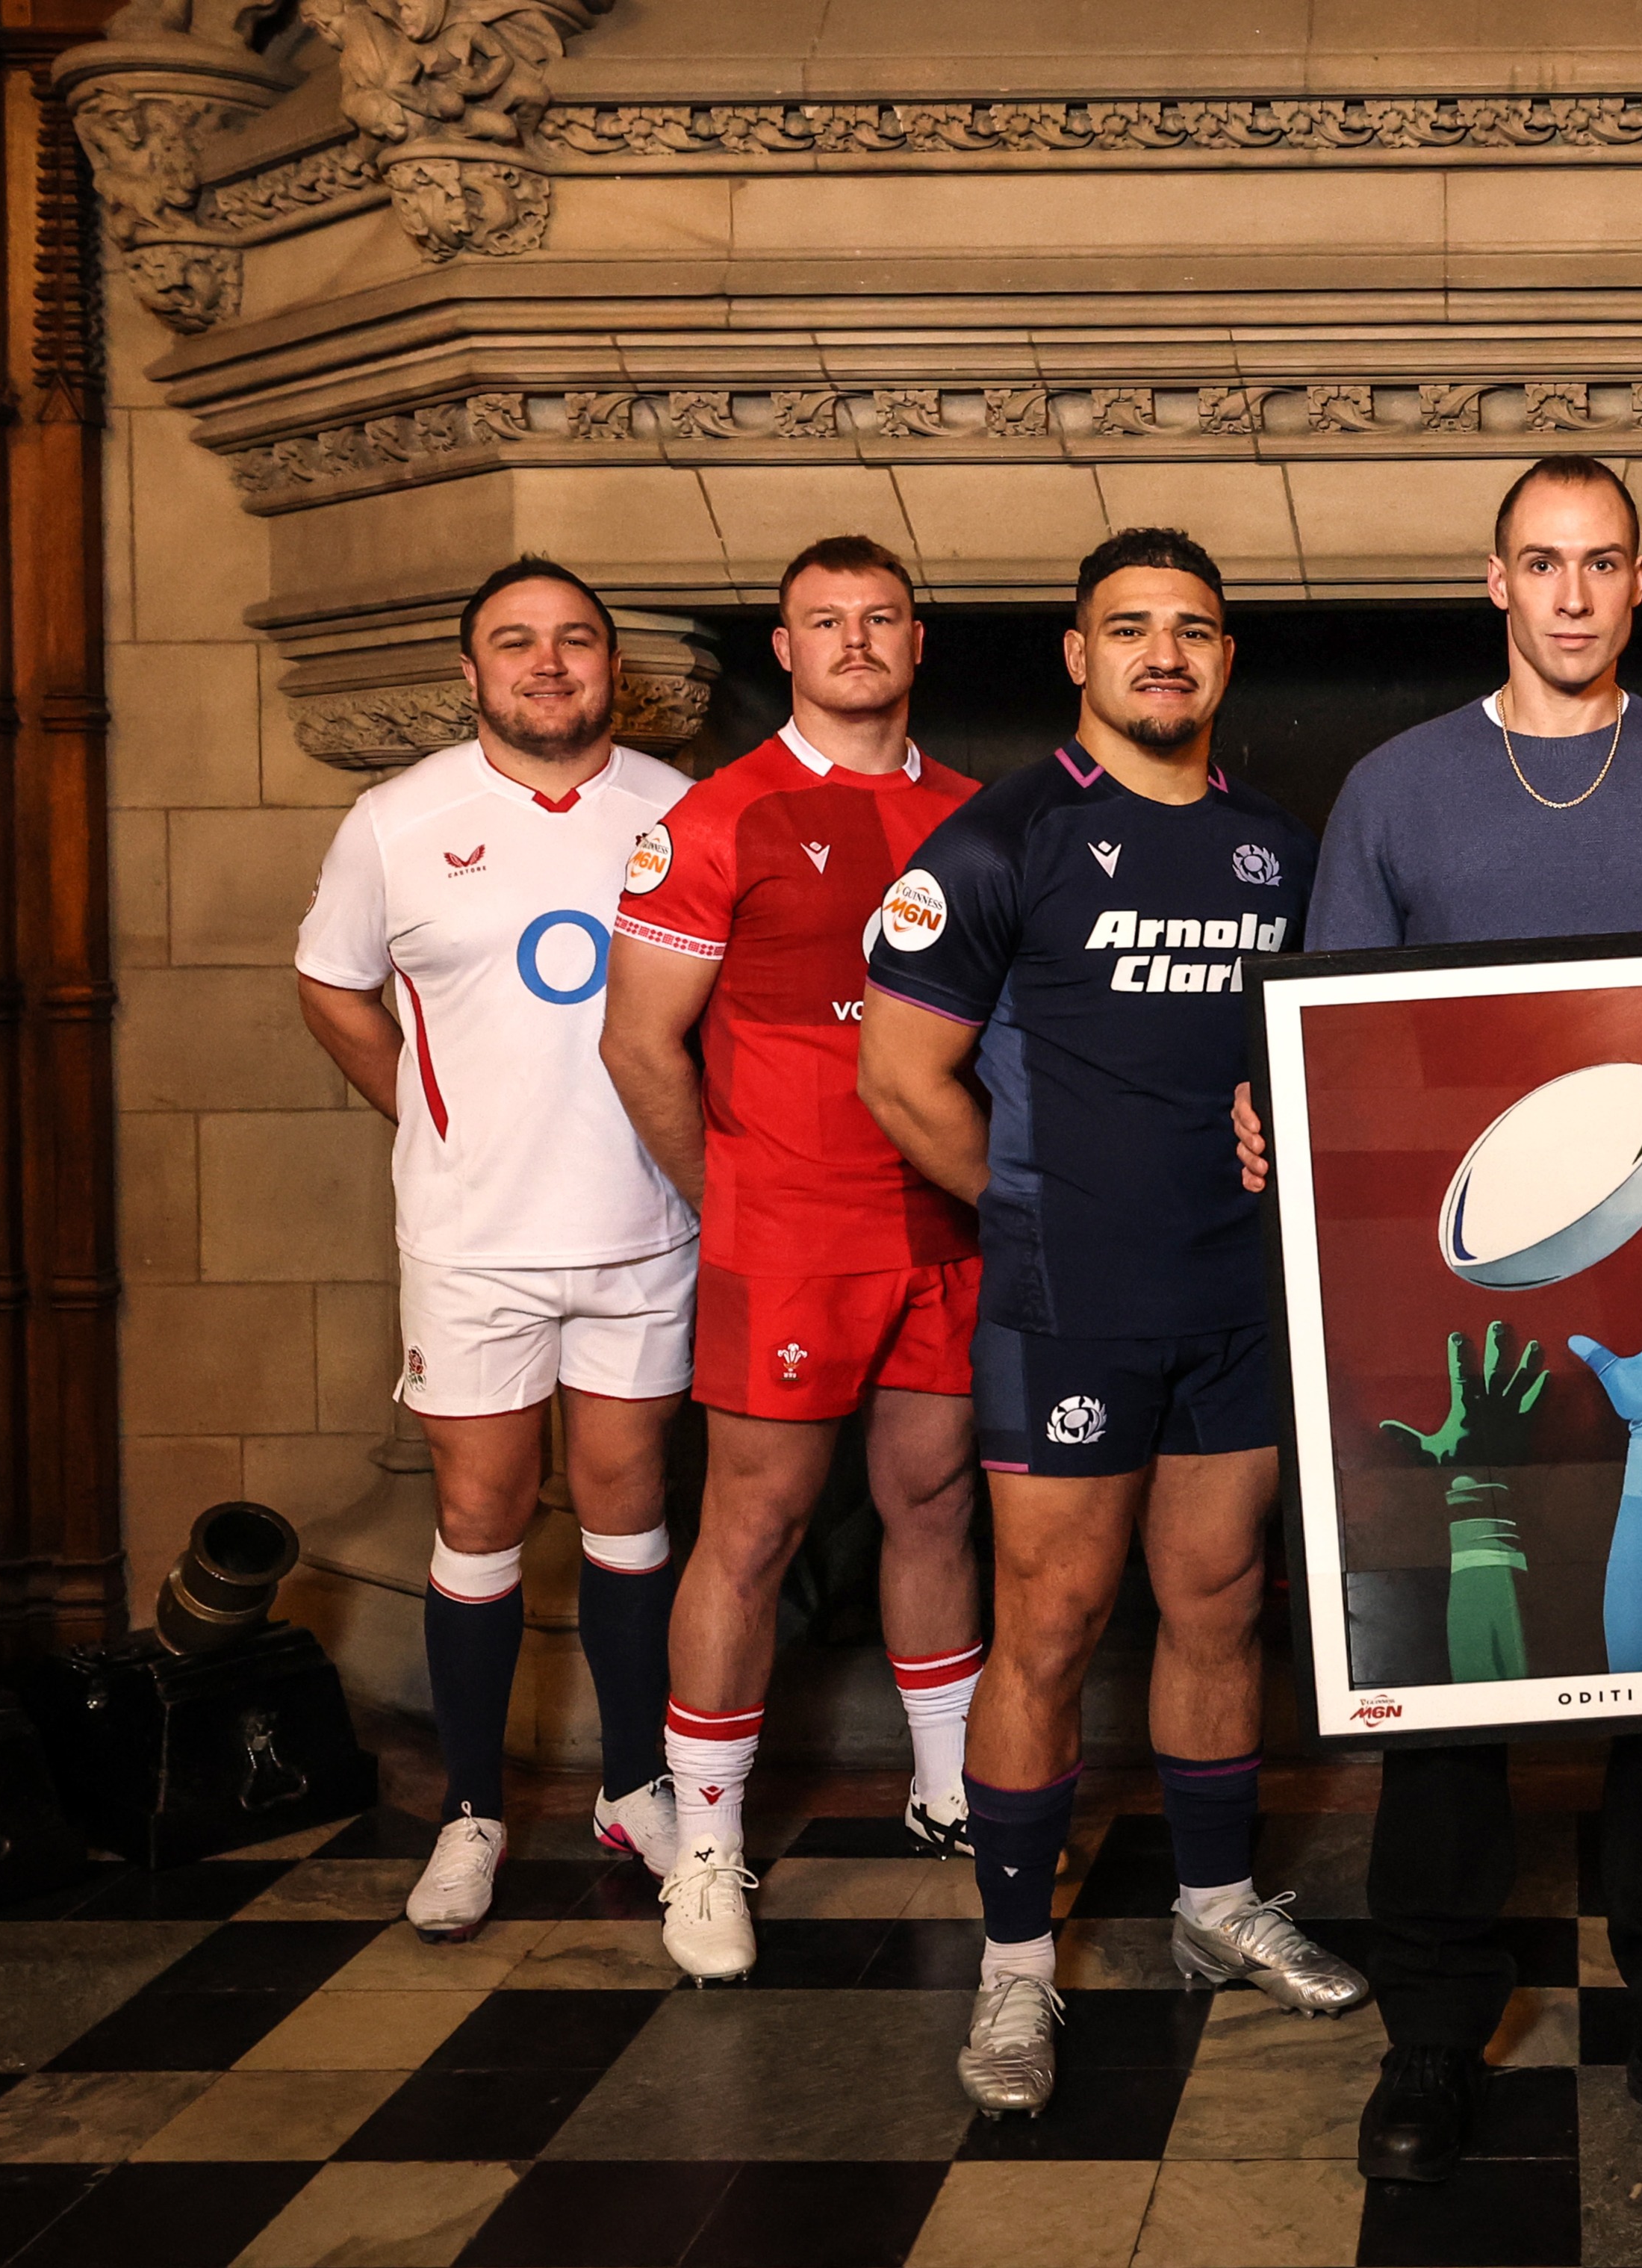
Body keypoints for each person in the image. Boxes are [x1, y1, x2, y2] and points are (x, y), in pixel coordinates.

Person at [1237, 456, 1642, 2182]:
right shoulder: (1397, 789)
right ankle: (1429, 2043)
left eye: (1600, 565)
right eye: (1540, 564)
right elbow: (1339, 1053)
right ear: (1491, 581)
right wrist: (1270, 1105)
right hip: (1457, 1319)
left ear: (1638, 583)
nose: (1571, 595)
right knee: (1443, 1680)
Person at [856, 529, 1370, 2116]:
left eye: (1194, 630)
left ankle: (1213, 1908)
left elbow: (1324, 1061)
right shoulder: (997, 839)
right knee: (1054, 1623)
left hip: (1239, 1295)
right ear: (1074, 656)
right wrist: (1035, 1217)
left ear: (1227, 661)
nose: (1165, 652)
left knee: (1219, 1602)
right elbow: (898, 1077)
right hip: (1070, 1310)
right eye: (1130, 628)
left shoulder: (1281, 850)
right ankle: (1017, 1968)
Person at [600, 535, 988, 1982]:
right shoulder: (720, 815)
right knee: (751, 1529)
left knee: (935, 1500)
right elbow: (636, 1039)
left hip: (943, 1224)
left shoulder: (976, 812)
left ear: (916, 641)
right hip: (791, 1240)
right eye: (826, 620)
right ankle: (704, 1845)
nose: (856, 640)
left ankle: (947, 1787)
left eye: (881, 617)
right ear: (785, 647)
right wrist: (736, 1198)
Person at [293, 556, 696, 1941]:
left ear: (610, 668)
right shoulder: (398, 821)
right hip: (474, 1240)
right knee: (478, 1514)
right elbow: (331, 984)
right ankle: (472, 1809)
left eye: (574, 641)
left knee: (629, 1503)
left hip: (648, 1225)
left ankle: (636, 1785)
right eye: (514, 644)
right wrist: (428, 1112)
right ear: (470, 674)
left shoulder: (682, 810)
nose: (546, 664)